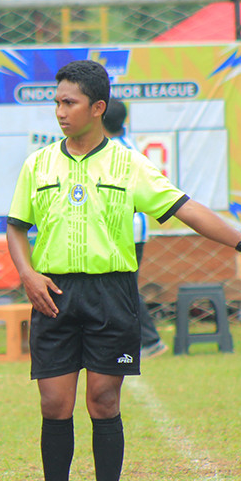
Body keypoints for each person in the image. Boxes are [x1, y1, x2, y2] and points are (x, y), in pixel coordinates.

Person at [5, 59, 241, 481]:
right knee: (54, 402)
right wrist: (27, 272)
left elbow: (187, 208)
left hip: (111, 293)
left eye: (69, 103)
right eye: (56, 102)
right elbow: (14, 226)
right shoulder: (38, 163)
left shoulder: (129, 164)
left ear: (98, 108)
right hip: (53, 293)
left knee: (103, 400)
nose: (59, 112)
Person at [102, 99, 167, 359]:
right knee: (120, 286)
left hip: (122, 229)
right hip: (137, 228)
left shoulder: (110, 153)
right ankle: (135, 340)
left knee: (122, 286)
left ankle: (150, 340)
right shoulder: (129, 145)